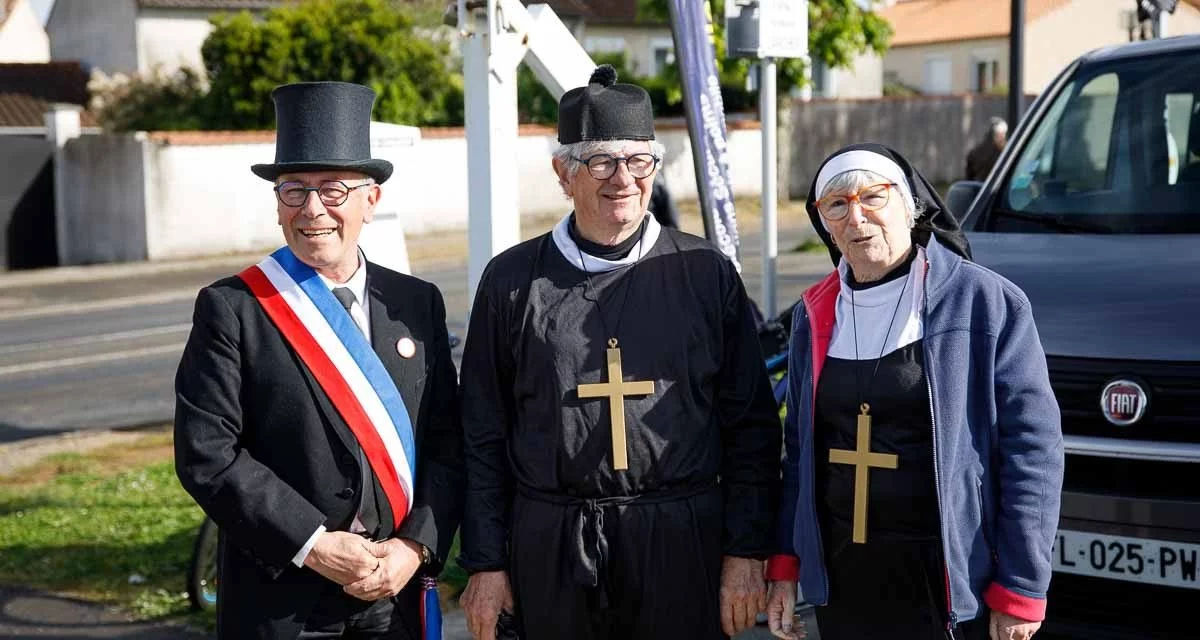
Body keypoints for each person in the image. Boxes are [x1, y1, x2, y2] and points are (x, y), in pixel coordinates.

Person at [457, 65, 781, 640]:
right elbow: (482, 433)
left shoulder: (705, 272)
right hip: (553, 546)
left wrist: (746, 551)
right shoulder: (512, 281)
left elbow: (751, 425)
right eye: (601, 161)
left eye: (639, 161)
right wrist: (486, 562)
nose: (623, 179)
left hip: (681, 542)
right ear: (564, 173)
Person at [174, 81, 464, 639]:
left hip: (394, 595)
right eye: (293, 190)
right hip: (283, 601)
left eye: (333, 190)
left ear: (370, 200)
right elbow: (207, 455)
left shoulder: (416, 302)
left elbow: (447, 443)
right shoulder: (234, 307)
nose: (312, 211)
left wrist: (414, 546)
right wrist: (314, 545)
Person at [764, 143, 1063, 640]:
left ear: (910, 204)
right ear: (824, 223)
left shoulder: (985, 303)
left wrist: (1022, 587)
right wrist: (786, 565)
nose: (856, 217)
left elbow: (1033, 453)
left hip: (948, 580)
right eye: (836, 205)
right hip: (846, 582)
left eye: (872, 197)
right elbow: (799, 455)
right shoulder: (813, 316)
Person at [965, 117, 1007, 181]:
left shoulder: (974, 152)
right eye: (1002, 134)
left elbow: (968, 178)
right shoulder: (1003, 153)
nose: (1003, 138)